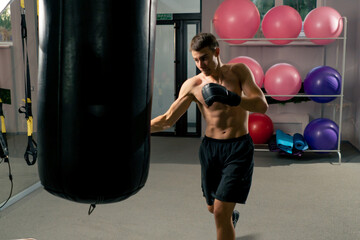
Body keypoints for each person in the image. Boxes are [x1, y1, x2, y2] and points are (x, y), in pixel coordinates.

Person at [151, 32, 268, 240]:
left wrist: (232, 98)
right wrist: (130, 130)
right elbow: (168, 119)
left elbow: (261, 105)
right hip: (210, 149)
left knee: (221, 211)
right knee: (213, 208)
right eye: (195, 59)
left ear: (217, 51)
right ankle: (229, 219)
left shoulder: (238, 71)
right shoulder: (193, 85)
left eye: (204, 57)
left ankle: (226, 217)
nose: (200, 64)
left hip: (238, 148)